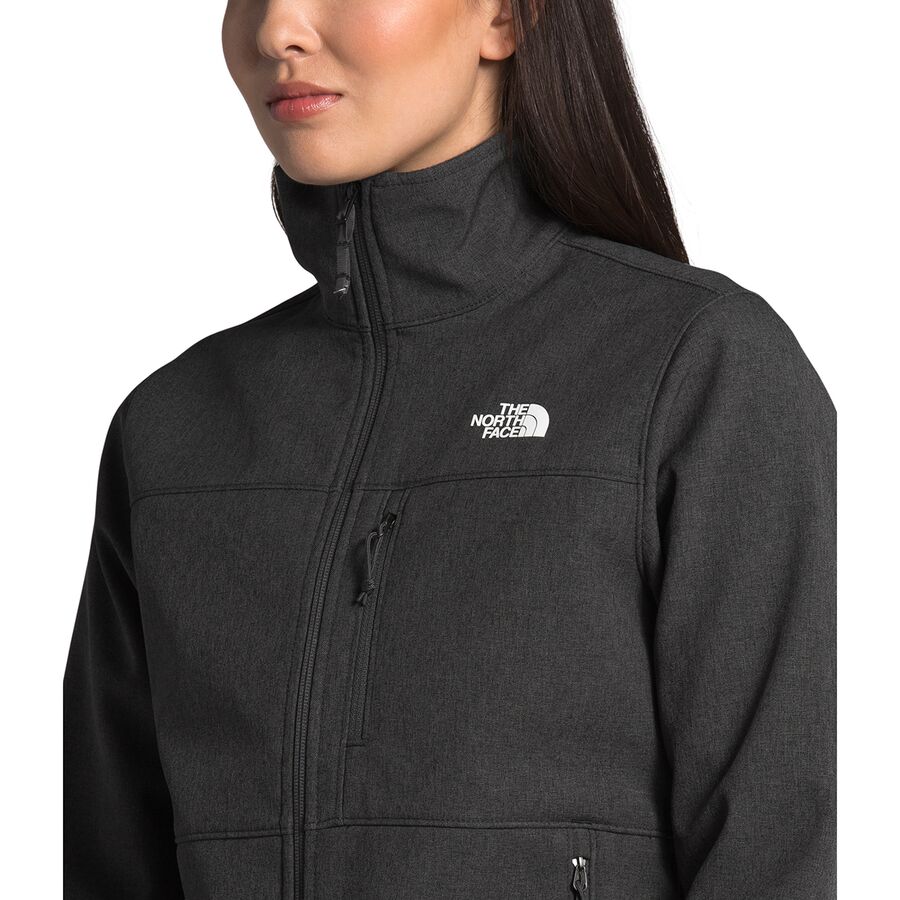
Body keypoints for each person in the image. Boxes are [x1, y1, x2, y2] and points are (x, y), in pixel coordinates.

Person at [63, 0, 837, 897]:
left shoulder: (696, 371)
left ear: (505, 17)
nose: (278, 29)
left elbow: (774, 853)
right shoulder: (174, 428)